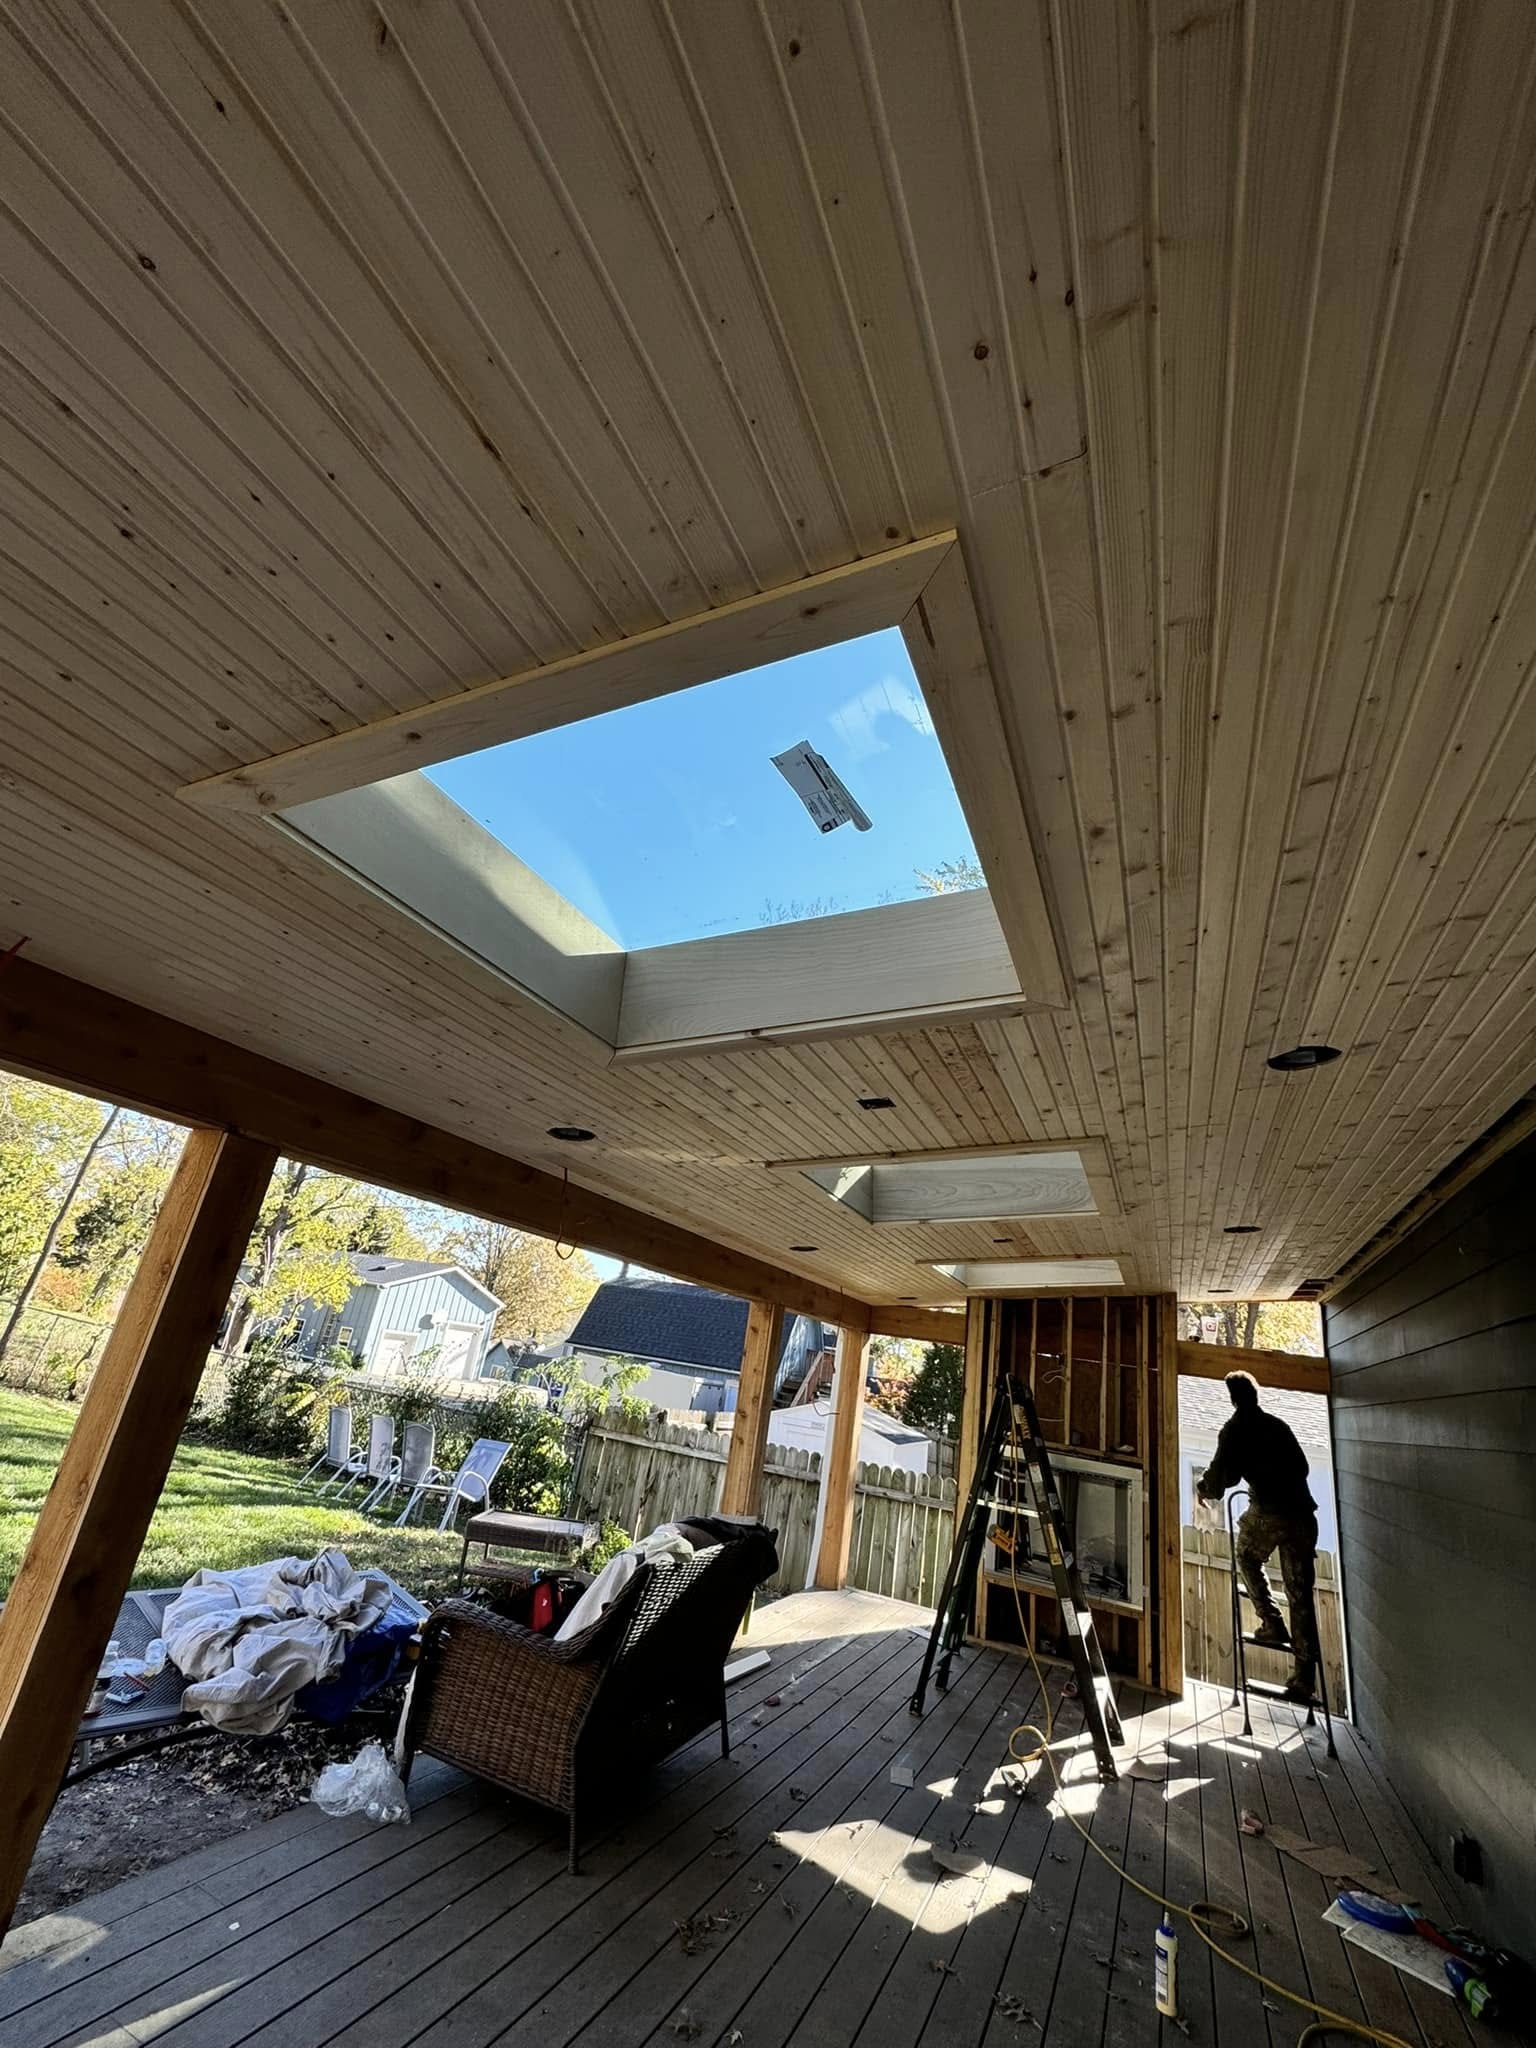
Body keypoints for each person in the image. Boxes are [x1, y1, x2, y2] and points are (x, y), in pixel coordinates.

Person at [1196, 1370, 1319, 1703]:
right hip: (1302, 1514)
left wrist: (1202, 1488)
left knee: (1247, 1556)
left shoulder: (1235, 1430)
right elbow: (1304, 1468)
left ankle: (1271, 1621)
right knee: (1300, 1595)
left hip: (1269, 1511)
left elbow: (1221, 1480)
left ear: (1233, 1398)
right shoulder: (1278, 1426)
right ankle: (1304, 1680)